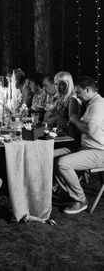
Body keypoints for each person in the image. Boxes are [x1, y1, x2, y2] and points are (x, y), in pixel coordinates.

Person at [56, 76, 104, 214]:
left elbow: (89, 129)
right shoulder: (91, 104)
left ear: (87, 89)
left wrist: (74, 119)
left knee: (63, 163)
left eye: (78, 92)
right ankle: (68, 193)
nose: (77, 96)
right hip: (87, 149)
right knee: (50, 157)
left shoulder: (99, 105)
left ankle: (80, 200)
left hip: (99, 151)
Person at [48, 71, 81, 147]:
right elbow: (50, 121)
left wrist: (55, 112)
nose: (58, 87)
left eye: (62, 84)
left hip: (68, 142)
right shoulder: (58, 98)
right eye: (56, 84)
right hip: (58, 137)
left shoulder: (72, 100)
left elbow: (71, 130)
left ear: (68, 85)